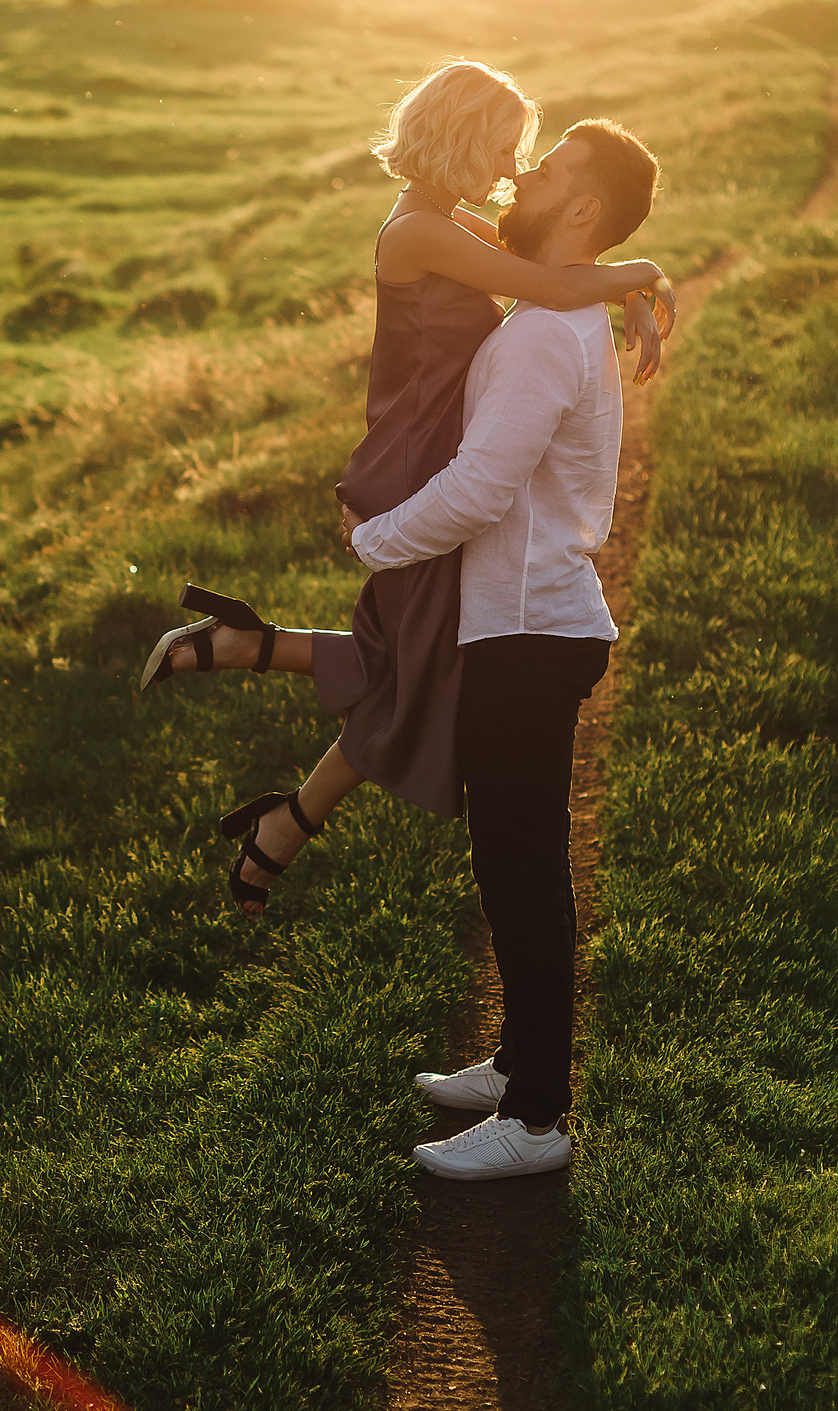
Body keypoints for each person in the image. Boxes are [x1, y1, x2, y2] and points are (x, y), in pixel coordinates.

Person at [141, 63, 670, 923]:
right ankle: (277, 798)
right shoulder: (418, 232)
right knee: (423, 668)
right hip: (418, 454)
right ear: (462, 136)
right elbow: (554, 285)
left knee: (422, 659)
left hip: (431, 444)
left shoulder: (442, 220)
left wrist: (632, 288)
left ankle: (253, 673)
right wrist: (643, 272)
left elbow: (547, 266)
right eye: (504, 147)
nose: (511, 168)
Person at [351, 119, 666, 1181]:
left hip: (529, 630)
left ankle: (535, 1120)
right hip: (527, 622)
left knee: (523, 871)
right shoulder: (554, 310)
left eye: (550, 168)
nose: (523, 175)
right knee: (511, 864)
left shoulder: (543, 333)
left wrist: (373, 541)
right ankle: (518, 1064)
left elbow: (482, 489)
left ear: (582, 209)